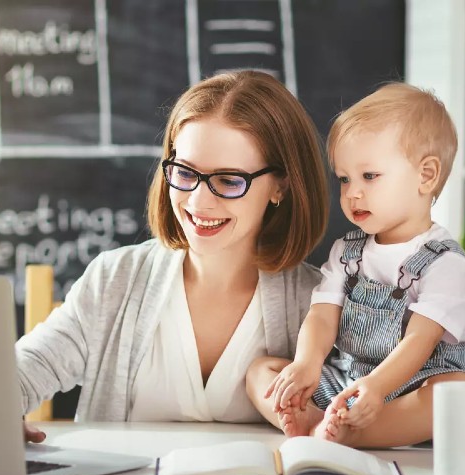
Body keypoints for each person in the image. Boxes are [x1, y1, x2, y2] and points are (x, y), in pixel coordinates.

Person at [17, 70, 329, 438]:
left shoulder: (321, 304)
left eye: (228, 180)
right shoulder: (116, 278)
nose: (198, 201)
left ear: (281, 185)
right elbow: (29, 366)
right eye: (184, 172)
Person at [245, 82, 465, 448]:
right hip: (347, 383)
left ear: (425, 175)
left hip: (409, 391)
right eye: (344, 179)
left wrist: (377, 389)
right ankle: (318, 419)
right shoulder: (347, 252)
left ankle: (353, 434)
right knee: (261, 371)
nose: (352, 193)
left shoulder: (447, 266)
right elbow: (322, 316)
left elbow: (418, 341)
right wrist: (306, 364)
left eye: (370, 176)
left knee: (456, 390)